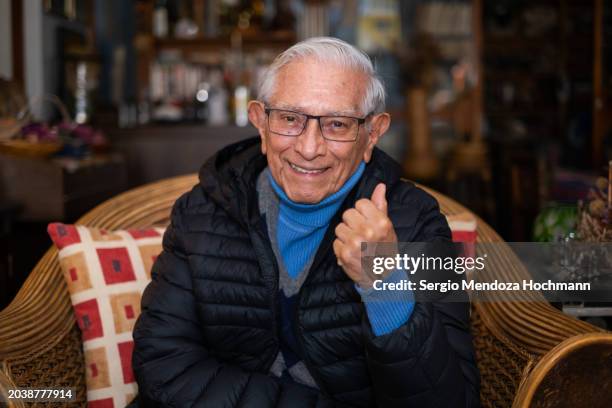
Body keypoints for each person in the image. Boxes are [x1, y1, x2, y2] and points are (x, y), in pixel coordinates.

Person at [132, 37, 480, 407]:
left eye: (337, 124)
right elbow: (162, 366)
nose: (309, 148)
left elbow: (451, 400)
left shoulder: (416, 221)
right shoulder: (201, 211)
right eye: (289, 119)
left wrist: (384, 284)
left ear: (372, 134)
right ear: (260, 123)